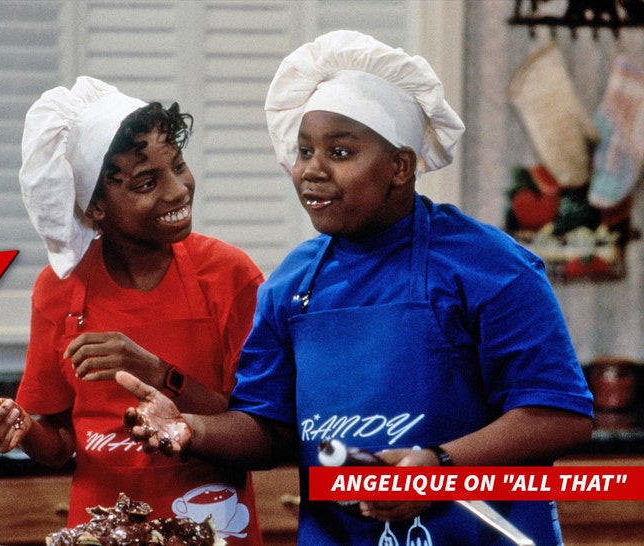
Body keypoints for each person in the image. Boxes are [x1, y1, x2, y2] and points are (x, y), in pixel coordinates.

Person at [116, 31, 594, 546]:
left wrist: (439, 467)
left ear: (400, 167)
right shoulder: (292, 285)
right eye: (304, 151)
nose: (311, 170)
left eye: (340, 152)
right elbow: (269, 429)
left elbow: (560, 416)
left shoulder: (489, 266)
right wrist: (193, 429)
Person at [0, 76, 264, 543]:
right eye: (147, 182)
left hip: (214, 525)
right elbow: (60, 444)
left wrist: (156, 372)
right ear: (96, 207)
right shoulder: (59, 290)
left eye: (178, 166)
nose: (177, 191)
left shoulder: (228, 274)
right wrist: (21, 427)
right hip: (99, 530)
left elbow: (259, 432)